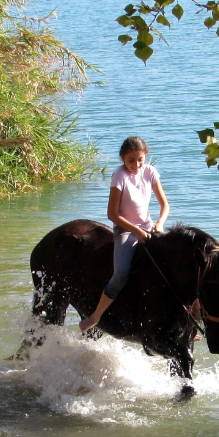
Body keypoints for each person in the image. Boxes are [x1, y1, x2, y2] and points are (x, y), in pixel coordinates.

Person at [79, 136, 170, 333]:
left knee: (169, 267)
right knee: (120, 275)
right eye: (131, 160)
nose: (136, 165)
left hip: (148, 227)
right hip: (125, 230)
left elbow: (164, 205)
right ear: (122, 158)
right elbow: (112, 214)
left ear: (145, 157)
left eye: (140, 160)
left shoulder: (150, 172)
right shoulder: (119, 176)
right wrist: (136, 231)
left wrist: (159, 224)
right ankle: (96, 316)